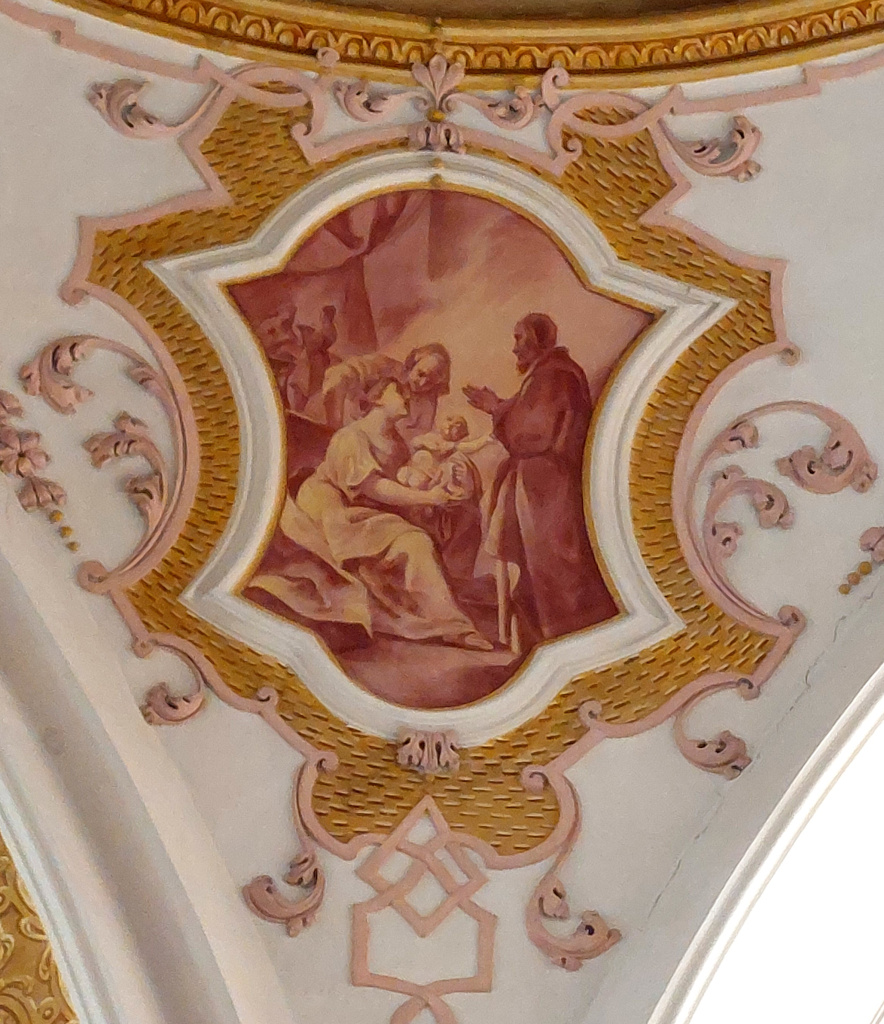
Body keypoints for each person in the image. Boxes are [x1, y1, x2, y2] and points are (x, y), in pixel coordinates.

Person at [250, 382, 493, 651]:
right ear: (377, 398)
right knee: (398, 541)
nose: (407, 396)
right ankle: (440, 623)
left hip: (366, 513)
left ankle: (453, 626)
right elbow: (374, 487)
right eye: (399, 391)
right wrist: (428, 498)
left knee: (416, 542)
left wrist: (441, 487)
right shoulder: (351, 437)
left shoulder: (398, 444)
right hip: (329, 506)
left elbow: (402, 486)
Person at [464, 312, 617, 645]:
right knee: (542, 569)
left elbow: (531, 434)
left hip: (548, 490)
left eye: (520, 338)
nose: (515, 348)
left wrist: (495, 408)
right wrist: (499, 405)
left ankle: (561, 639)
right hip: (543, 486)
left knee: (554, 569)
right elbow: (532, 415)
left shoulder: (554, 375)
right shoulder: (549, 374)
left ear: (539, 339)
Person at [321, 343, 451, 438]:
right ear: (414, 362)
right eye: (421, 373)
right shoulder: (383, 367)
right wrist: (334, 426)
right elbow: (339, 374)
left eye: (430, 382)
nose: (422, 384)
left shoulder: (427, 403)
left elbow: (419, 438)